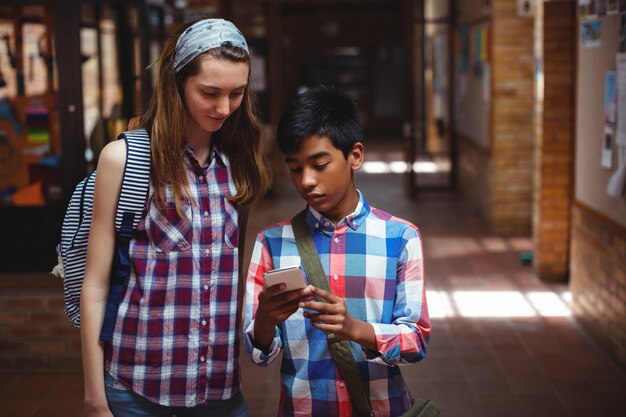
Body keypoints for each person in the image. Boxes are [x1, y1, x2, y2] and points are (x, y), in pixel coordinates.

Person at [81, 18, 269, 417]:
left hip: (219, 389)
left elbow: (232, 275)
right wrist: (96, 399)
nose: (224, 108)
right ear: (177, 84)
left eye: (236, 93)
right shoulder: (125, 160)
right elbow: (95, 285)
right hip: (136, 389)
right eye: (210, 93)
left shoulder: (240, 163)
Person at [244, 85, 431, 417]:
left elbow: (416, 341)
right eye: (296, 167)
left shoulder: (400, 238)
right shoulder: (271, 242)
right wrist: (265, 320)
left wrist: (356, 329)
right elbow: (259, 353)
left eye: (319, 164)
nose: (306, 181)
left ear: (355, 156)